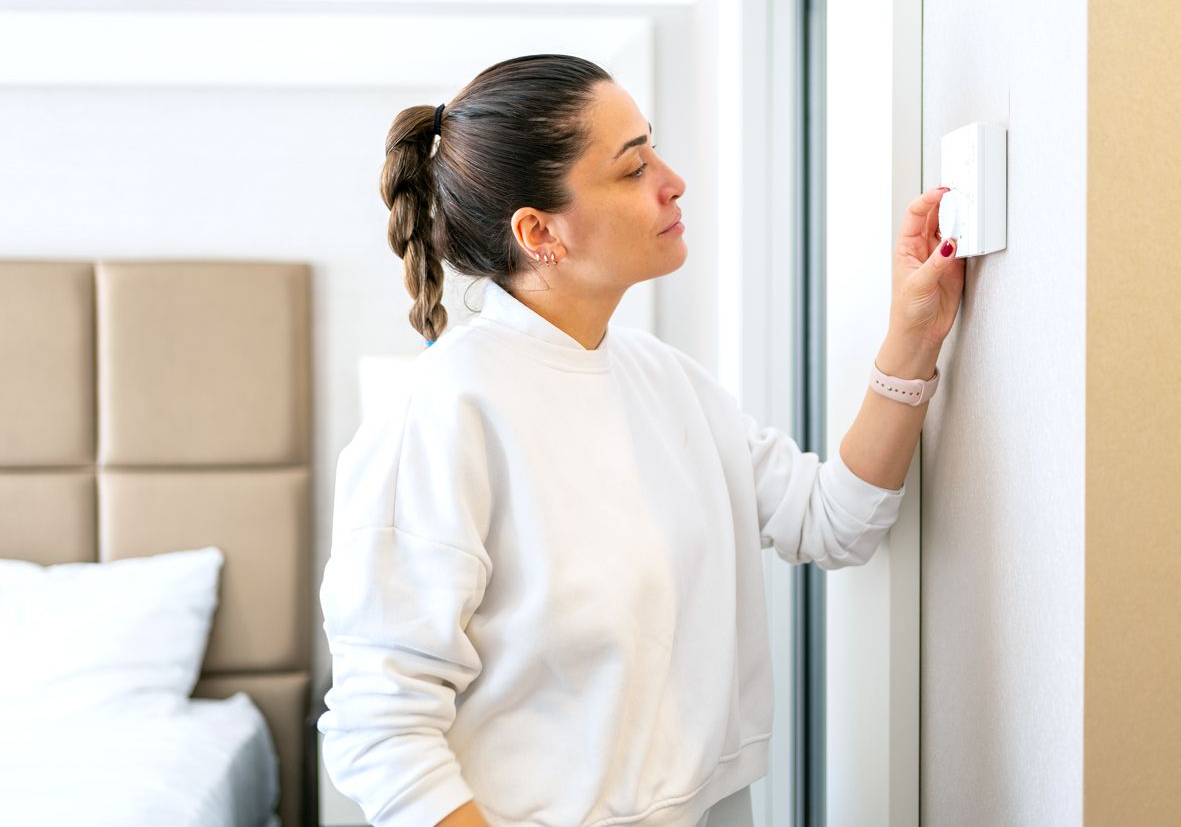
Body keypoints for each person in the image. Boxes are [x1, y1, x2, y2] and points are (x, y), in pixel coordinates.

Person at [317, 53, 964, 827]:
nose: (673, 179)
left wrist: (914, 335)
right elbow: (381, 730)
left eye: (651, 148)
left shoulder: (666, 382)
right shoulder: (442, 412)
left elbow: (836, 520)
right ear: (539, 232)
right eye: (632, 168)